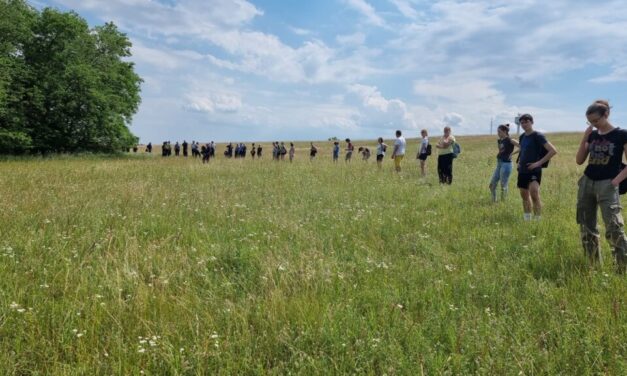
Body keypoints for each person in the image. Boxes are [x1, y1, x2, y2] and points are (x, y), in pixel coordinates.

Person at [575, 100, 627, 272]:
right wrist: (585, 136)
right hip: (587, 181)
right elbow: (579, 160)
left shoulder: (621, 134)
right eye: (590, 122)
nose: (593, 124)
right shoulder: (592, 135)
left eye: (596, 121)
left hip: (608, 184)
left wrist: (615, 182)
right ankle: (593, 265)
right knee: (586, 225)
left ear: (606, 115)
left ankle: (622, 267)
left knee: (613, 226)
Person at [516, 113, 557, 221]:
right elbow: (523, 150)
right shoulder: (522, 137)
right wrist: (519, 162)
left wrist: (538, 163)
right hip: (522, 170)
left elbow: (553, 151)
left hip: (534, 170)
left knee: (534, 192)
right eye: (522, 123)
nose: (524, 124)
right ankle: (527, 219)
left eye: (526, 122)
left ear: (532, 122)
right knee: (524, 195)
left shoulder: (538, 136)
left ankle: (537, 219)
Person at [489, 124, 519, 202]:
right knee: (492, 185)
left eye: (499, 132)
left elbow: (522, 146)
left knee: (503, 185)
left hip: (506, 165)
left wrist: (512, 154)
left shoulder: (510, 140)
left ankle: (503, 202)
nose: (498, 133)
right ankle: (493, 201)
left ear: (505, 131)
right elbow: (502, 151)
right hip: (499, 164)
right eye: (497, 132)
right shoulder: (499, 140)